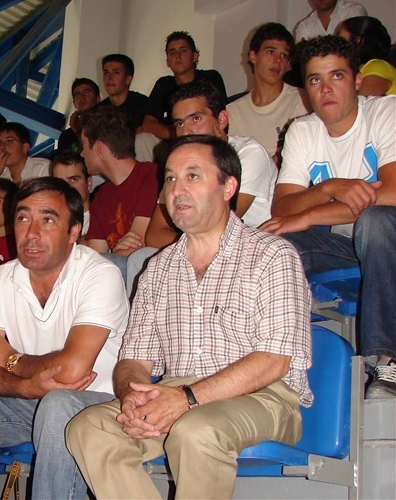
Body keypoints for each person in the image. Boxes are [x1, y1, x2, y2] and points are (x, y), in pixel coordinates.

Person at [66, 135, 313, 499]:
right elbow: (134, 358)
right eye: (169, 179)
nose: (176, 190)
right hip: (178, 392)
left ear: (229, 186)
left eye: (192, 176)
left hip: (263, 397)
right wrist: (132, 397)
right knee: (89, 427)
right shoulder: (158, 268)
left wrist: (187, 399)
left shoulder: (272, 255)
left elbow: (273, 362)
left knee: (195, 428)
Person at [0, 177, 128, 500]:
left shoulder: (99, 275)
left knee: (58, 405)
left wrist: (8, 358)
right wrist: (24, 386)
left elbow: (73, 372)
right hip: (29, 402)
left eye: (47, 219)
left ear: (74, 232)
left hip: (98, 406)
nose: (31, 233)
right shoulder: (0, 278)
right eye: (22, 218)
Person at [261, 35, 396, 399]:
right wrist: (329, 186)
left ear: (356, 80)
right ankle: (275, 363)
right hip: (344, 245)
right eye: (315, 79)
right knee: (274, 241)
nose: (326, 89)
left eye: (336, 76)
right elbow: (283, 209)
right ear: (305, 89)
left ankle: (387, 360)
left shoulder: (385, 113)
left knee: (376, 220)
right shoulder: (303, 131)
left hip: (389, 237)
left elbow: (393, 193)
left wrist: (313, 213)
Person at [146, 81, 276, 253]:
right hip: (202, 247)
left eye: (196, 119)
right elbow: (154, 235)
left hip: (252, 249)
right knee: (143, 256)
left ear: (221, 120)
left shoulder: (250, 153)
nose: (186, 132)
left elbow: (221, 227)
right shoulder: (179, 165)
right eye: (179, 124)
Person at [81, 105, 159, 257]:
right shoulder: (101, 196)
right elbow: (95, 260)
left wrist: (115, 254)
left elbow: (137, 248)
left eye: (83, 145)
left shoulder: (152, 176)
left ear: (98, 147)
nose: (82, 153)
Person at [138, 31, 228, 160]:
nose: (177, 56)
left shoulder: (211, 78)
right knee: (142, 140)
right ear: (167, 61)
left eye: (183, 51)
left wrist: (188, 134)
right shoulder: (163, 84)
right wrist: (181, 133)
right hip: (172, 141)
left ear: (195, 56)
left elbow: (218, 118)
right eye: (172, 52)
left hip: (207, 138)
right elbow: (148, 124)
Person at [227, 22, 307, 162]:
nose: (277, 60)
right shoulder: (233, 111)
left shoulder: (301, 100)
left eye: (283, 55)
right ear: (253, 56)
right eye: (270, 52)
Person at [335, 16, 396, 95]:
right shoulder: (362, 68)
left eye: (339, 38)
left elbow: (362, 105)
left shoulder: (377, 66)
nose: (336, 43)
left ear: (358, 40)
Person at [100, 54, 149, 133]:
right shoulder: (99, 110)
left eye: (116, 72)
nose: (109, 77)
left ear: (128, 79)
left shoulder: (144, 105)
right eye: (106, 73)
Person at [51, 150, 92, 239]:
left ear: (89, 183)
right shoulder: (50, 221)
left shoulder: (101, 221)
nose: (67, 186)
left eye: (74, 179)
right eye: (60, 182)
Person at [59, 78, 101, 152]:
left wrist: (78, 132)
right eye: (77, 94)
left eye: (87, 92)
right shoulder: (66, 136)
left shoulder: (108, 125)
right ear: (74, 103)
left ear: (98, 98)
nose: (81, 97)